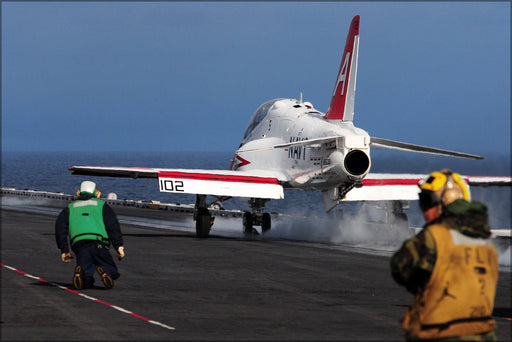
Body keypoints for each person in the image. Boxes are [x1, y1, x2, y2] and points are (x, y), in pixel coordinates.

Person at [391, 169, 499, 341]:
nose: (422, 208)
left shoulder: (434, 235)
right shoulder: (486, 240)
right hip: (484, 335)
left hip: (443, 334)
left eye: (427, 202)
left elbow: (400, 268)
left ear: (445, 202)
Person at [55, 181, 125, 289]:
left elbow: (60, 229)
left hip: (79, 243)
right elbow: (112, 227)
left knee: (86, 268)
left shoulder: (70, 207)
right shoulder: (101, 205)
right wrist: (119, 246)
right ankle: (106, 271)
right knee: (110, 267)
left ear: (78, 193)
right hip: (99, 241)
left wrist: (64, 250)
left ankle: (83, 275)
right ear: (97, 193)